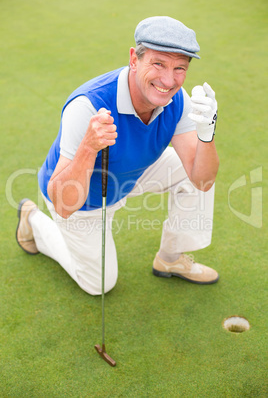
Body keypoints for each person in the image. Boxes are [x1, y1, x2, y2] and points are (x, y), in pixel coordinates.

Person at [16, 16, 220, 296]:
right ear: (135, 59)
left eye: (179, 68)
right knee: (99, 285)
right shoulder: (87, 105)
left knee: (189, 168)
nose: (168, 80)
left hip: (132, 173)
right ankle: (34, 222)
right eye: (158, 64)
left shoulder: (178, 99)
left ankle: (170, 259)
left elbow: (203, 180)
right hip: (82, 197)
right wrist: (89, 147)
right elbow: (64, 204)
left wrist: (206, 135)